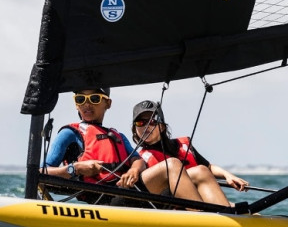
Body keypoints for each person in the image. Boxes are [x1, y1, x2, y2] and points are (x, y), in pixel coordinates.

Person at [42, 88, 220, 206]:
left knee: (200, 171)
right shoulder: (69, 133)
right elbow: (41, 173)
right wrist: (76, 168)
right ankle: (205, 222)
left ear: (108, 103)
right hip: (105, 203)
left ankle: (227, 216)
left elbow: (138, 161)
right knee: (172, 165)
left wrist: (134, 171)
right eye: (80, 99)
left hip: (127, 193)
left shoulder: (118, 136)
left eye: (94, 99)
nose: (87, 104)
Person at [131, 100, 249, 206]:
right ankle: (213, 220)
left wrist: (227, 175)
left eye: (152, 121)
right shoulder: (140, 159)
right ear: (135, 129)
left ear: (161, 127)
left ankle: (228, 215)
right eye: (140, 123)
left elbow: (209, 167)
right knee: (200, 171)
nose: (146, 126)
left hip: (202, 197)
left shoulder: (183, 145)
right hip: (172, 204)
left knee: (250, 213)